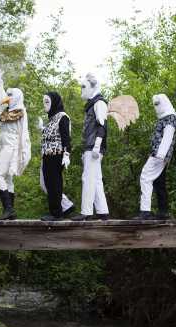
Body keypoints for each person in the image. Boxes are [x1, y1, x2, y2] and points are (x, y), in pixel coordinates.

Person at [0, 68, 31, 220]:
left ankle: (8, 209)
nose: (8, 97)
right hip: (5, 147)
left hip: (11, 149)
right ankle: (11, 212)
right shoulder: (9, 110)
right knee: (8, 179)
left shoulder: (19, 110)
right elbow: (1, 99)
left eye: (11, 95)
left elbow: (7, 117)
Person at [71, 73, 110, 221]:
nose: (82, 89)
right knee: (96, 179)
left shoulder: (99, 103)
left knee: (88, 178)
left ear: (93, 87)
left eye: (84, 87)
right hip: (90, 146)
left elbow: (102, 125)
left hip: (94, 147)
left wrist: (96, 146)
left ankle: (86, 212)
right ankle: (103, 211)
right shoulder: (92, 105)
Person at [133, 94, 176, 220]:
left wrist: (161, 154)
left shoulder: (170, 118)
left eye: (158, 104)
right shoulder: (166, 118)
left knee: (145, 177)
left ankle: (145, 211)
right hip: (158, 154)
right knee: (159, 181)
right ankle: (163, 212)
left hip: (159, 155)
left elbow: (168, 136)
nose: (156, 107)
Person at [38, 92, 74, 221]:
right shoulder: (51, 119)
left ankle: (57, 213)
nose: (45, 105)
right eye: (44, 102)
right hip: (47, 156)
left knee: (55, 184)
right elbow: (51, 136)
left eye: (47, 102)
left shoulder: (62, 117)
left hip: (56, 155)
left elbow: (65, 138)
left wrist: (66, 154)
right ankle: (56, 211)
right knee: (48, 184)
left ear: (54, 102)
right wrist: (43, 129)